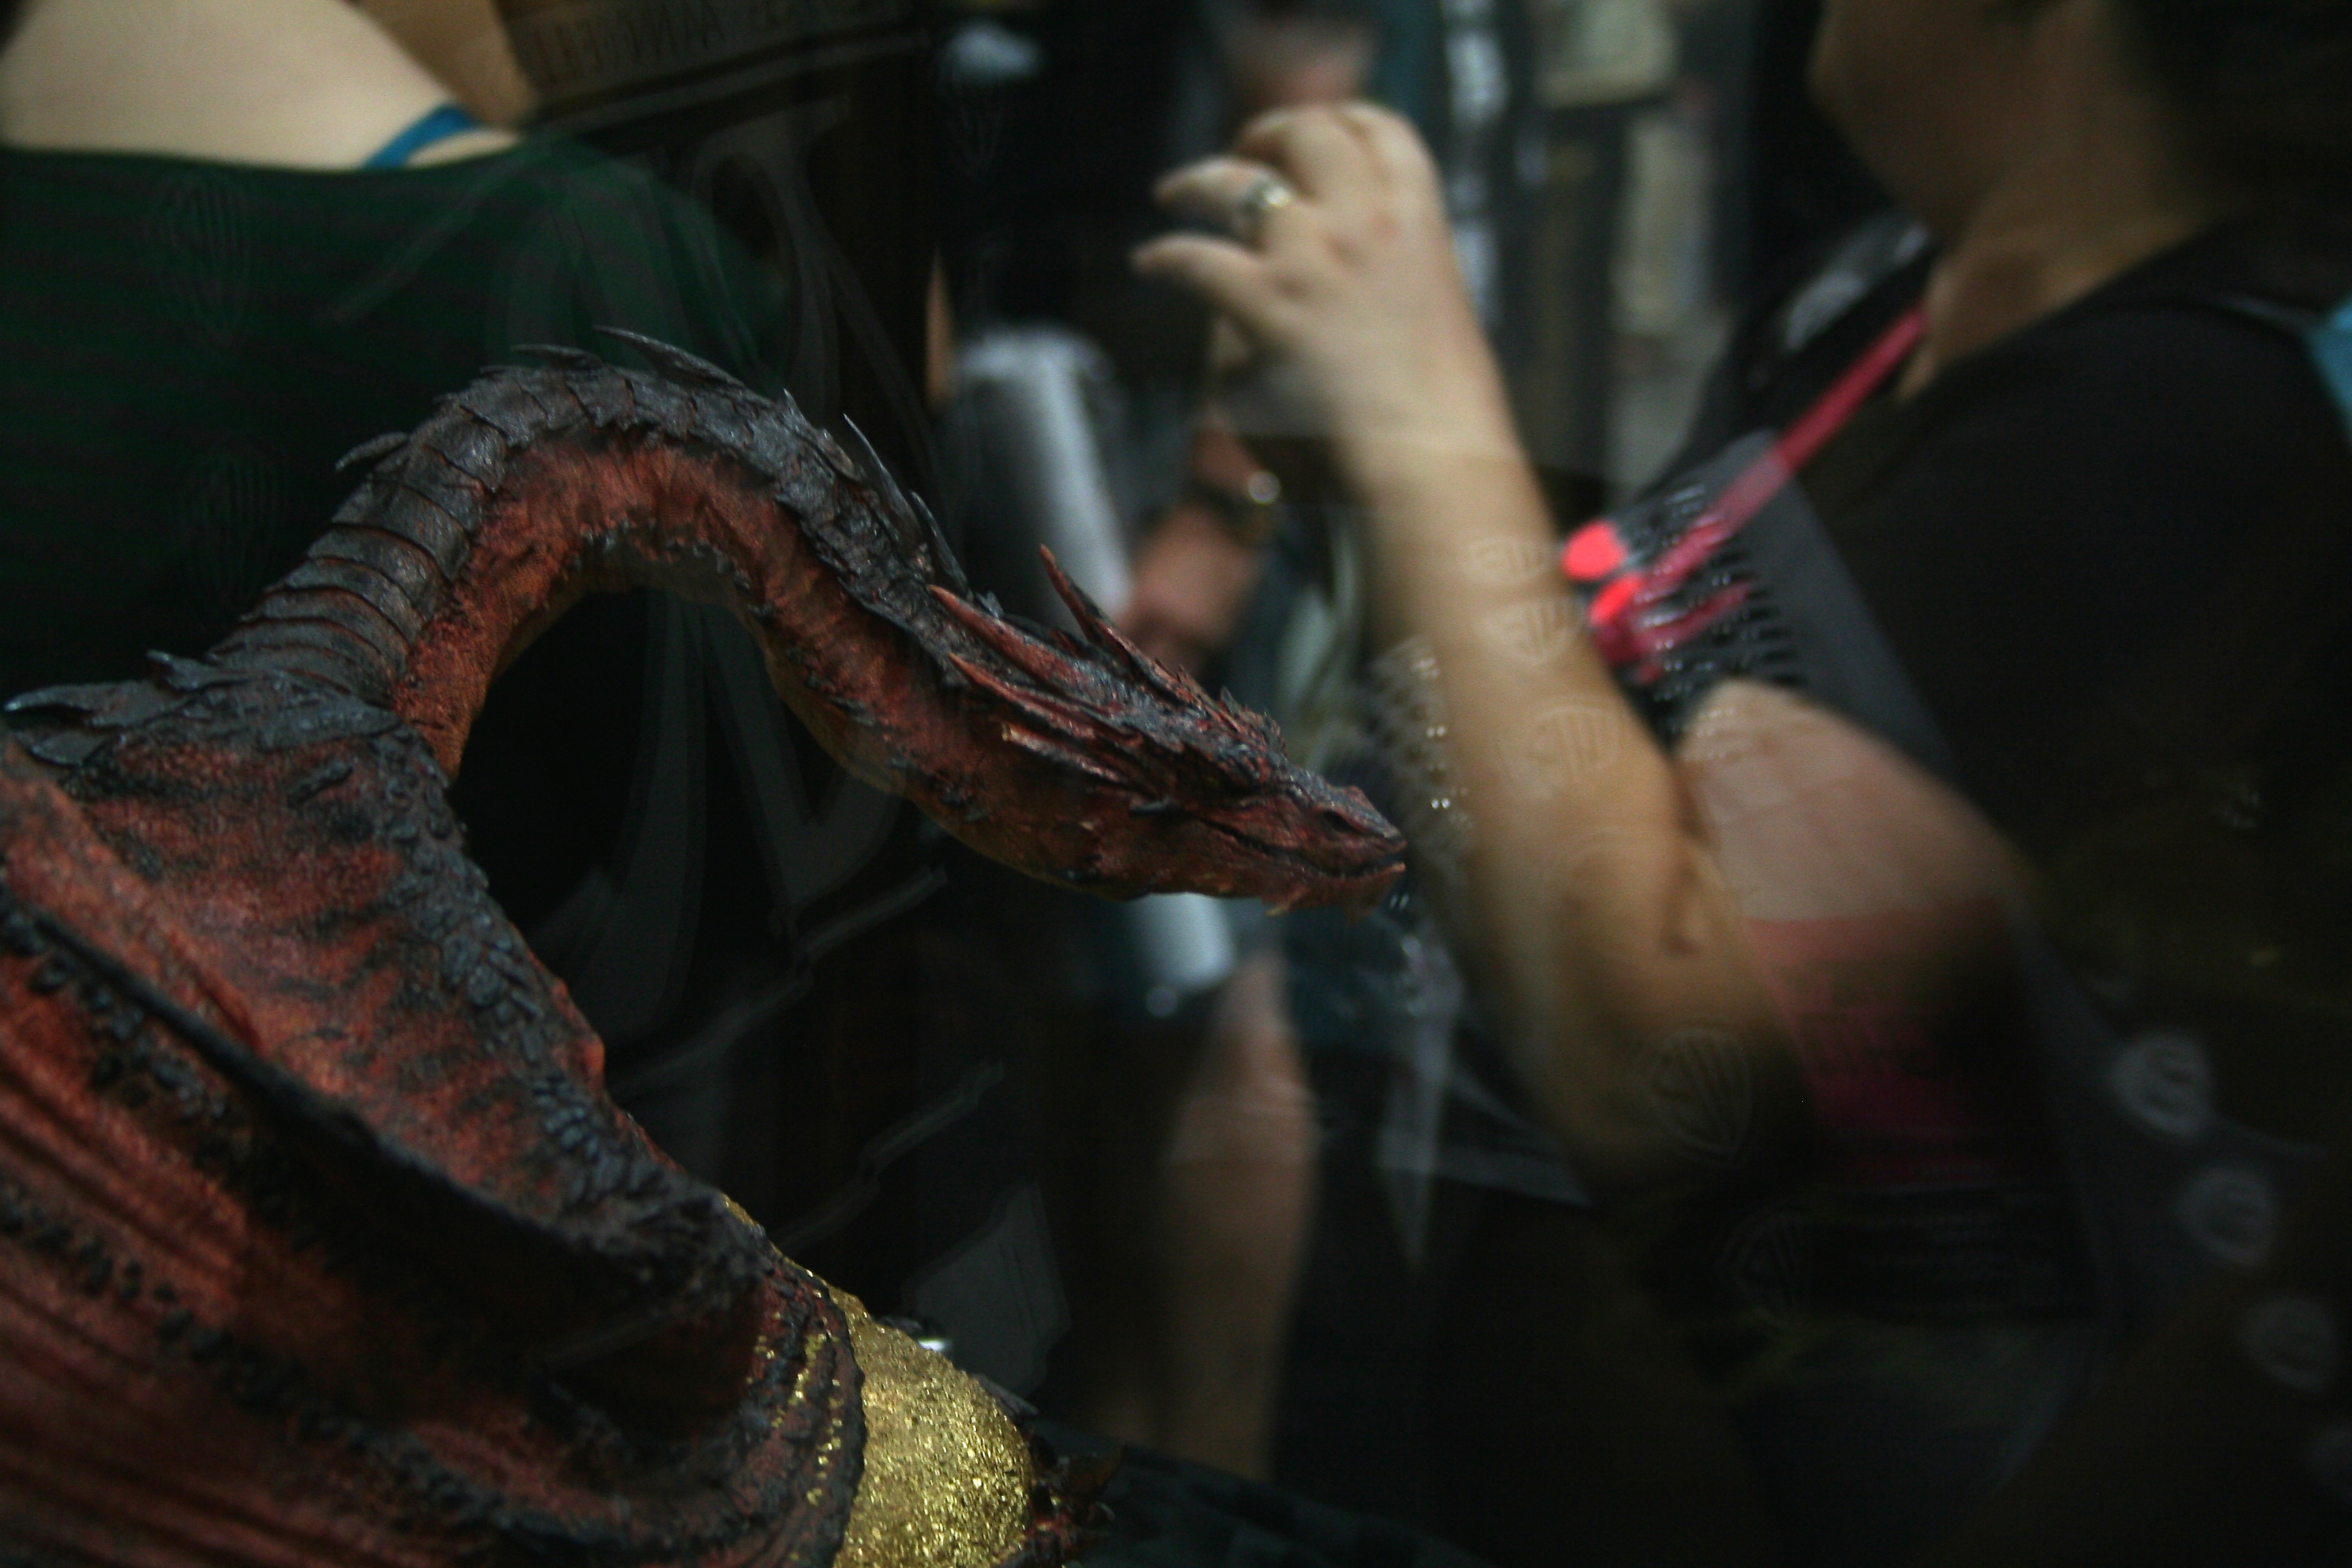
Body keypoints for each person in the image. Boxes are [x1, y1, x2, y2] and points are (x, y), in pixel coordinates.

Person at [1136, 0, 2352, 1561]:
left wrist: (1415, 416)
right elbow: (1574, 735)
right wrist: (1354, 464)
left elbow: (1667, 1047)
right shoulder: (1892, 300)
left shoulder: (2174, 416)